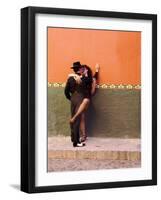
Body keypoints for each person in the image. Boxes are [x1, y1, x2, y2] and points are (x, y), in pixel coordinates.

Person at [69, 64, 99, 142]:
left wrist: (96, 70)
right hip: (81, 99)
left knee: (85, 101)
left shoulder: (91, 79)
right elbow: (70, 75)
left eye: (84, 69)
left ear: (87, 70)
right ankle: (83, 136)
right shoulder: (79, 78)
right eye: (82, 69)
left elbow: (92, 90)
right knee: (82, 118)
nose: (82, 70)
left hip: (87, 98)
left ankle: (74, 118)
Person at [64, 61, 86, 147]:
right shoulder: (82, 78)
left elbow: (66, 91)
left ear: (74, 70)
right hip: (79, 98)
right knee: (77, 119)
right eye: (81, 68)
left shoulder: (70, 78)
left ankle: (73, 138)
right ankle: (76, 142)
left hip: (73, 98)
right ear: (79, 69)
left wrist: (70, 98)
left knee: (73, 118)